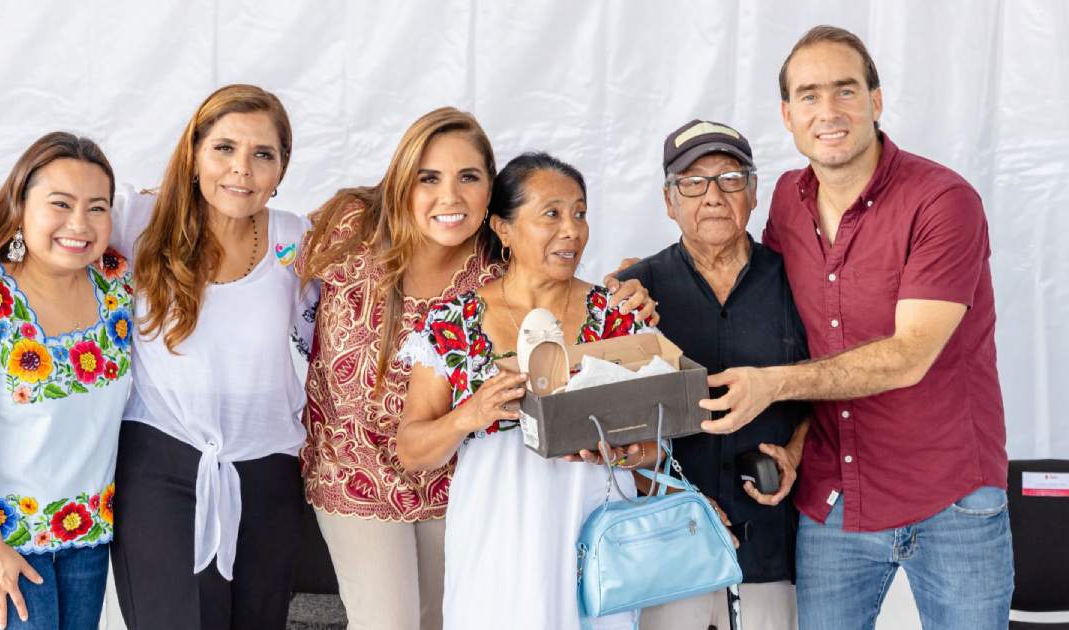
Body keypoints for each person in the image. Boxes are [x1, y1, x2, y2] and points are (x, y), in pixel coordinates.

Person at [0, 85, 319, 630]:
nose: (241, 169)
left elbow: (343, 321)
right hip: (151, 466)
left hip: (239, 474)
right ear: (194, 154)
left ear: (282, 168)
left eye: (262, 154)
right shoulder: (140, 220)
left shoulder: (296, 240)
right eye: (223, 148)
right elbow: (25, 227)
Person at [699, 26, 1012, 629]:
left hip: (949, 497)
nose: (829, 111)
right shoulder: (788, 200)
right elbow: (785, 322)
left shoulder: (943, 202)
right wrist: (640, 280)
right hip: (834, 499)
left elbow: (908, 356)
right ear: (788, 115)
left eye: (845, 90)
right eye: (810, 95)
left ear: (876, 100)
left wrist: (770, 385)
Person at [296, 112, 657, 630]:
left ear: (491, 198)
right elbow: (270, 273)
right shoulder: (355, 237)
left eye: (469, 177)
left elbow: (653, 439)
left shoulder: (501, 271)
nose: (571, 229)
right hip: (358, 476)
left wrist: (635, 285)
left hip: (470, 498)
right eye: (430, 177)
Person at [396, 152, 669, 630]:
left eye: (580, 213)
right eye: (552, 214)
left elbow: (657, 446)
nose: (572, 230)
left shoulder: (618, 315)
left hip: (595, 532)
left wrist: (623, 453)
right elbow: (412, 450)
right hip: (496, 538)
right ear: (503, 228)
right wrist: (469, 414)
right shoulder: (452, 324)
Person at [0, 132, 130, 630]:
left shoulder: (118, 286)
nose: (79, 223)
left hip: (84, 535)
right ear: (20, 207)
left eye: (96, 207)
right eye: (60, 204)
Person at [618, 119, 810, 630]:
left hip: (773, 544)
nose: (712, 196)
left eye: (729, 178)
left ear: (752, 192)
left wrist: (796, 451)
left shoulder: (798, 281)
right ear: (668, 200)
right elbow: (607, 418)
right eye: (691, 181)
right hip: (668, 541)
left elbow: (830, 389)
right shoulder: (634, 290)